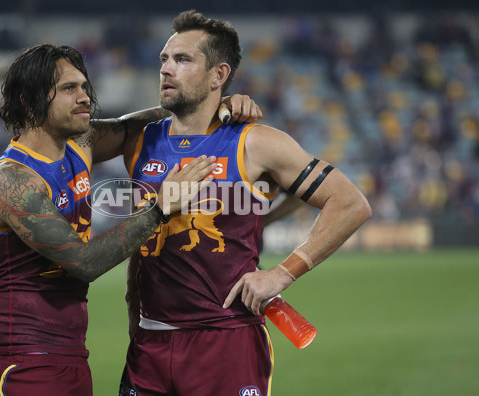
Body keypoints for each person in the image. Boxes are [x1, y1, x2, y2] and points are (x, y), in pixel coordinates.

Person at [0, 43, 261, 396]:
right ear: (28, 101)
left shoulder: (80, 143)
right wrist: (160, 208)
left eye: (83, 86)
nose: (83, 97)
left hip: (70, 355)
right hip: (23, 359)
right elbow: (83, 262)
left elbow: (140, 125)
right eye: (68, 89)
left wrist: (217, 105)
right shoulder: (10, 180)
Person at [120, 10, 372, 396]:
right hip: (149, 346)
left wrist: (283, 273)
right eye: (164, 60)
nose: (167, 69)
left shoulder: (255, 142)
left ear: (218, 75)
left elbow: (350, 202)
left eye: (183, 60)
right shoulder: (138, 139)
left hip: (226, 342)